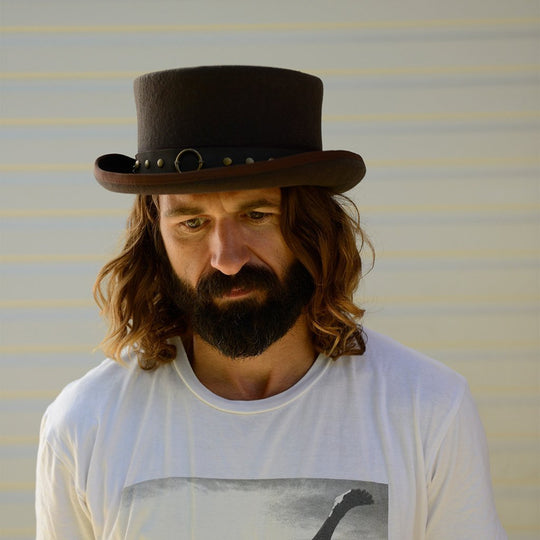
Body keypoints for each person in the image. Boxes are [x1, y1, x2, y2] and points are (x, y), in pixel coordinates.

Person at [35, 66, 506, 539]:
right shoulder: (84, 426)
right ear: (156, 241)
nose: (227, 259)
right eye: (192, 223)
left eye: (256, 215)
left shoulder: (427, 409)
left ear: (314, 229)